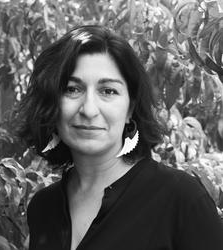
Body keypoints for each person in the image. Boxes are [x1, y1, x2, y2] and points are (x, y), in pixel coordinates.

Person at [16, 25, 223, 250]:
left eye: (108, 91)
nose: (89, 109)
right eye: (72, 89)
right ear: (51, 103)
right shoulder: (43, 208)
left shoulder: (181, 198)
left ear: (130, 109)